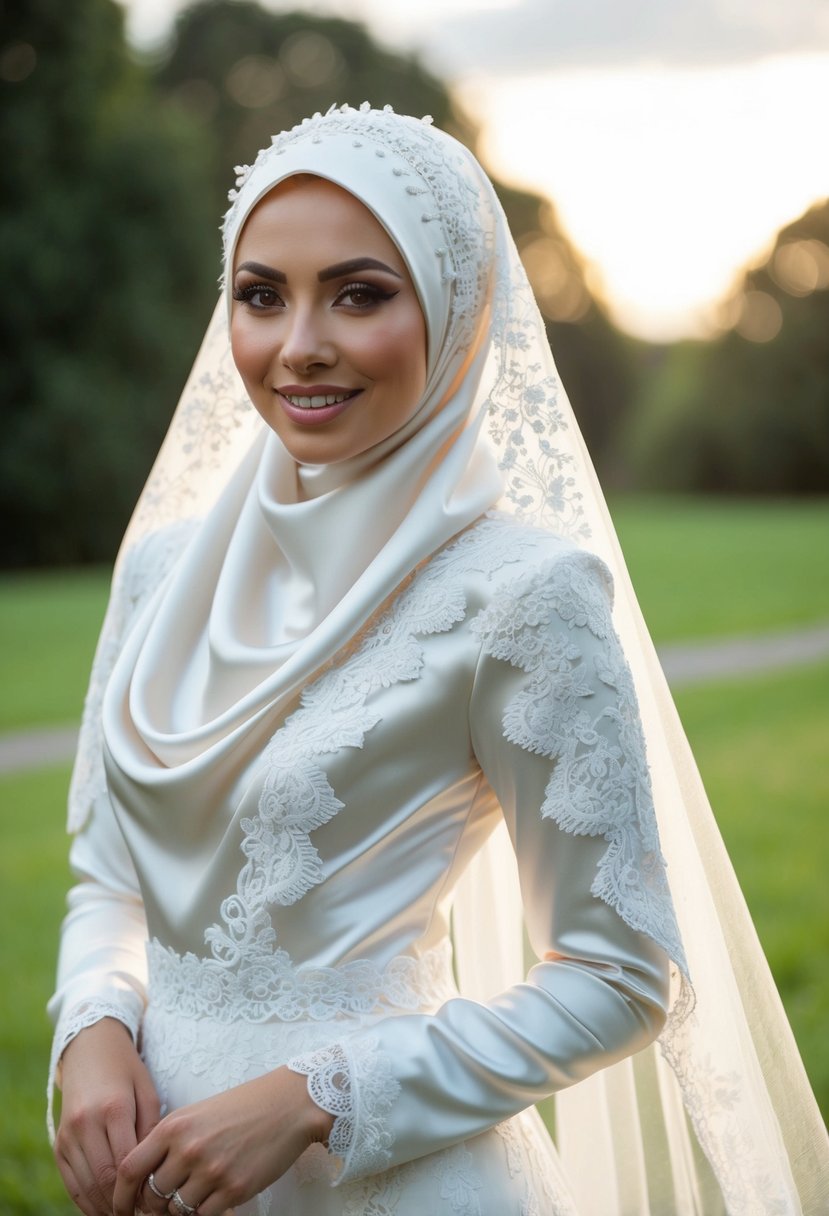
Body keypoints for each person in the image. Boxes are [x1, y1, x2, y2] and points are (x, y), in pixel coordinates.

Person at [48, 103, 826, 1216]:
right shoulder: (164, 572)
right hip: (154, 1173)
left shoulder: (519, 593)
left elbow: (617, 974)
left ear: (457, 310)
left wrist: (317, 1094)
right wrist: (93, 1026)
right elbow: (108, 874)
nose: (298, 341)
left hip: (390, 1183)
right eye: (261, 294)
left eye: (359, 293)